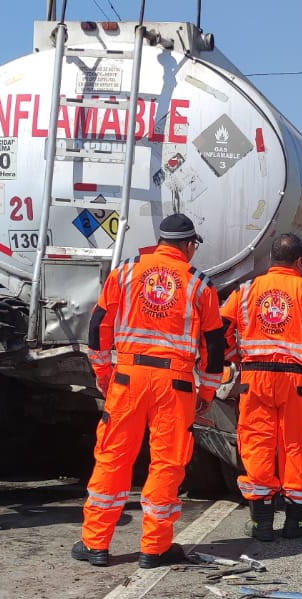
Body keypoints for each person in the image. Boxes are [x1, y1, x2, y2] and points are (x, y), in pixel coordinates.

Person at [71, 213, 226, 569]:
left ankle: (96, 544)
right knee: (167, 463)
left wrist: (103, 372)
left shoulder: (125, 271)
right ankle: (154, 548)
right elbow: (214, 345)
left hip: (127, 378)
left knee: (113, 457)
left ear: (160, 241)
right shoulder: (199, 285)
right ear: (189, 245)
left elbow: (98, 327)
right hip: (176, 384)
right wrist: (208, 390)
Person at [221, 233, 302, 541]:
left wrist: (233, 359)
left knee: (257, 444)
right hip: (299, 382)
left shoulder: (246, 291)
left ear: (272, 261)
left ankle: (262, 523)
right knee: (298, 446)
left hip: (255, 379)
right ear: (299, 262)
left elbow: (219, 326)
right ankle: (297, 521)